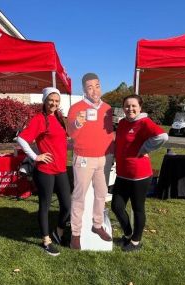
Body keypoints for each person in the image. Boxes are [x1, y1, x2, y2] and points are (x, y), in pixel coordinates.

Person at [17, 87, 71, 256]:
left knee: (67, 205)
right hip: (45, 170)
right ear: (45, 101)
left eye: (56, 101)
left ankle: (59, 232)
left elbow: (61, 142)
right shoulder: (40, 119)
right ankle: (47, 240)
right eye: (50, 100)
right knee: (45, 206)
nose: (53, 103)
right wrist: (35, 157)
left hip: (61, 169)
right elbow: (21, 138)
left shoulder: (59, 118)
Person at [111, 94, 168, 252]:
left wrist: (144, 149)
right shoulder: (122, 122)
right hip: (122, 173)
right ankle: (128, 233)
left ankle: (136, 241)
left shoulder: (144, 122)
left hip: (139, 175)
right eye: (127, 106)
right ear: (123, 108)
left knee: (138, 208)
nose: (130, 109)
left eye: (133, 106)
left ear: (140, 107)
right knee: (116, 206)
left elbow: (162, 136)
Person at [67, 73, 114, 250]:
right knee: (79, 198)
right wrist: (77, 124)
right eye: (90, 87)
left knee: (101, 194)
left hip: (101, 158)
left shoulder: (107, 108)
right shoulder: (76, 108)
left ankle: (97, 225)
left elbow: (108, 133)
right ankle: (75, 235)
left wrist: (113, 152)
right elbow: (70, 132)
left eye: (97, 85)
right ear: (84, 90)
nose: (94, 90)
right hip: (83, 158)